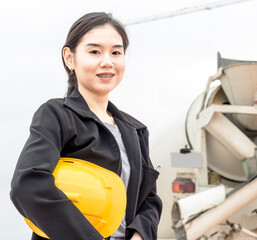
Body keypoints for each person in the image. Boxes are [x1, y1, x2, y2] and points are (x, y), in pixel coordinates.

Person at [10, 12, 162, 240]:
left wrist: (140, 234)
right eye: (94, 51)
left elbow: (149, 200)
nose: (107, 61)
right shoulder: (56, 115)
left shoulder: (135, 130)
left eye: (116, 52)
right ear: (69, 58)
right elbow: (28, 184)